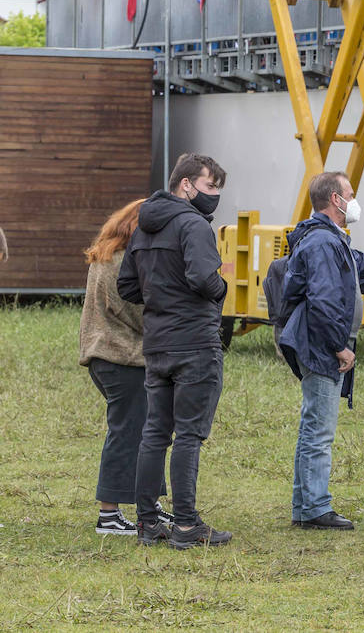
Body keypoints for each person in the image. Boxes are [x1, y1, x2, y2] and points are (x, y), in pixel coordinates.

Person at [277, 172, 364, 530]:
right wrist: (339, 347)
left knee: (313, 427)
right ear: (336, 199)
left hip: (321, 345)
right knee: (319, 430)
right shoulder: (322, 243)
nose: (354, 200)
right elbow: (323, 300)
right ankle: (316, 508)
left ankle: (306, 507)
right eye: (351, 193)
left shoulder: (334, 241)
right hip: (322, 348)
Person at [117, 153, 231, 549]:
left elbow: (127, 287)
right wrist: (222, 290)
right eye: (210, 186)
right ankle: (185, 524)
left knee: (154, 433)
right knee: (188, 435)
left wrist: (160, 295)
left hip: (158, 343)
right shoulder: (193, 224)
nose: (214, 195)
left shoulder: (142, 228)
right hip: (195, 343)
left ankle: (148, 523)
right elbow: (203, 277)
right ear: (186, 184)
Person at [80, 199, 173, 535]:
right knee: (127, 433)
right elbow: (137, 312)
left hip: (109, 356)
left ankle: (151, 503)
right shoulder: (123, 261)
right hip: (123, 358)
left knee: (144, 431)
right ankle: (109, 514)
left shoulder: (105, 254)